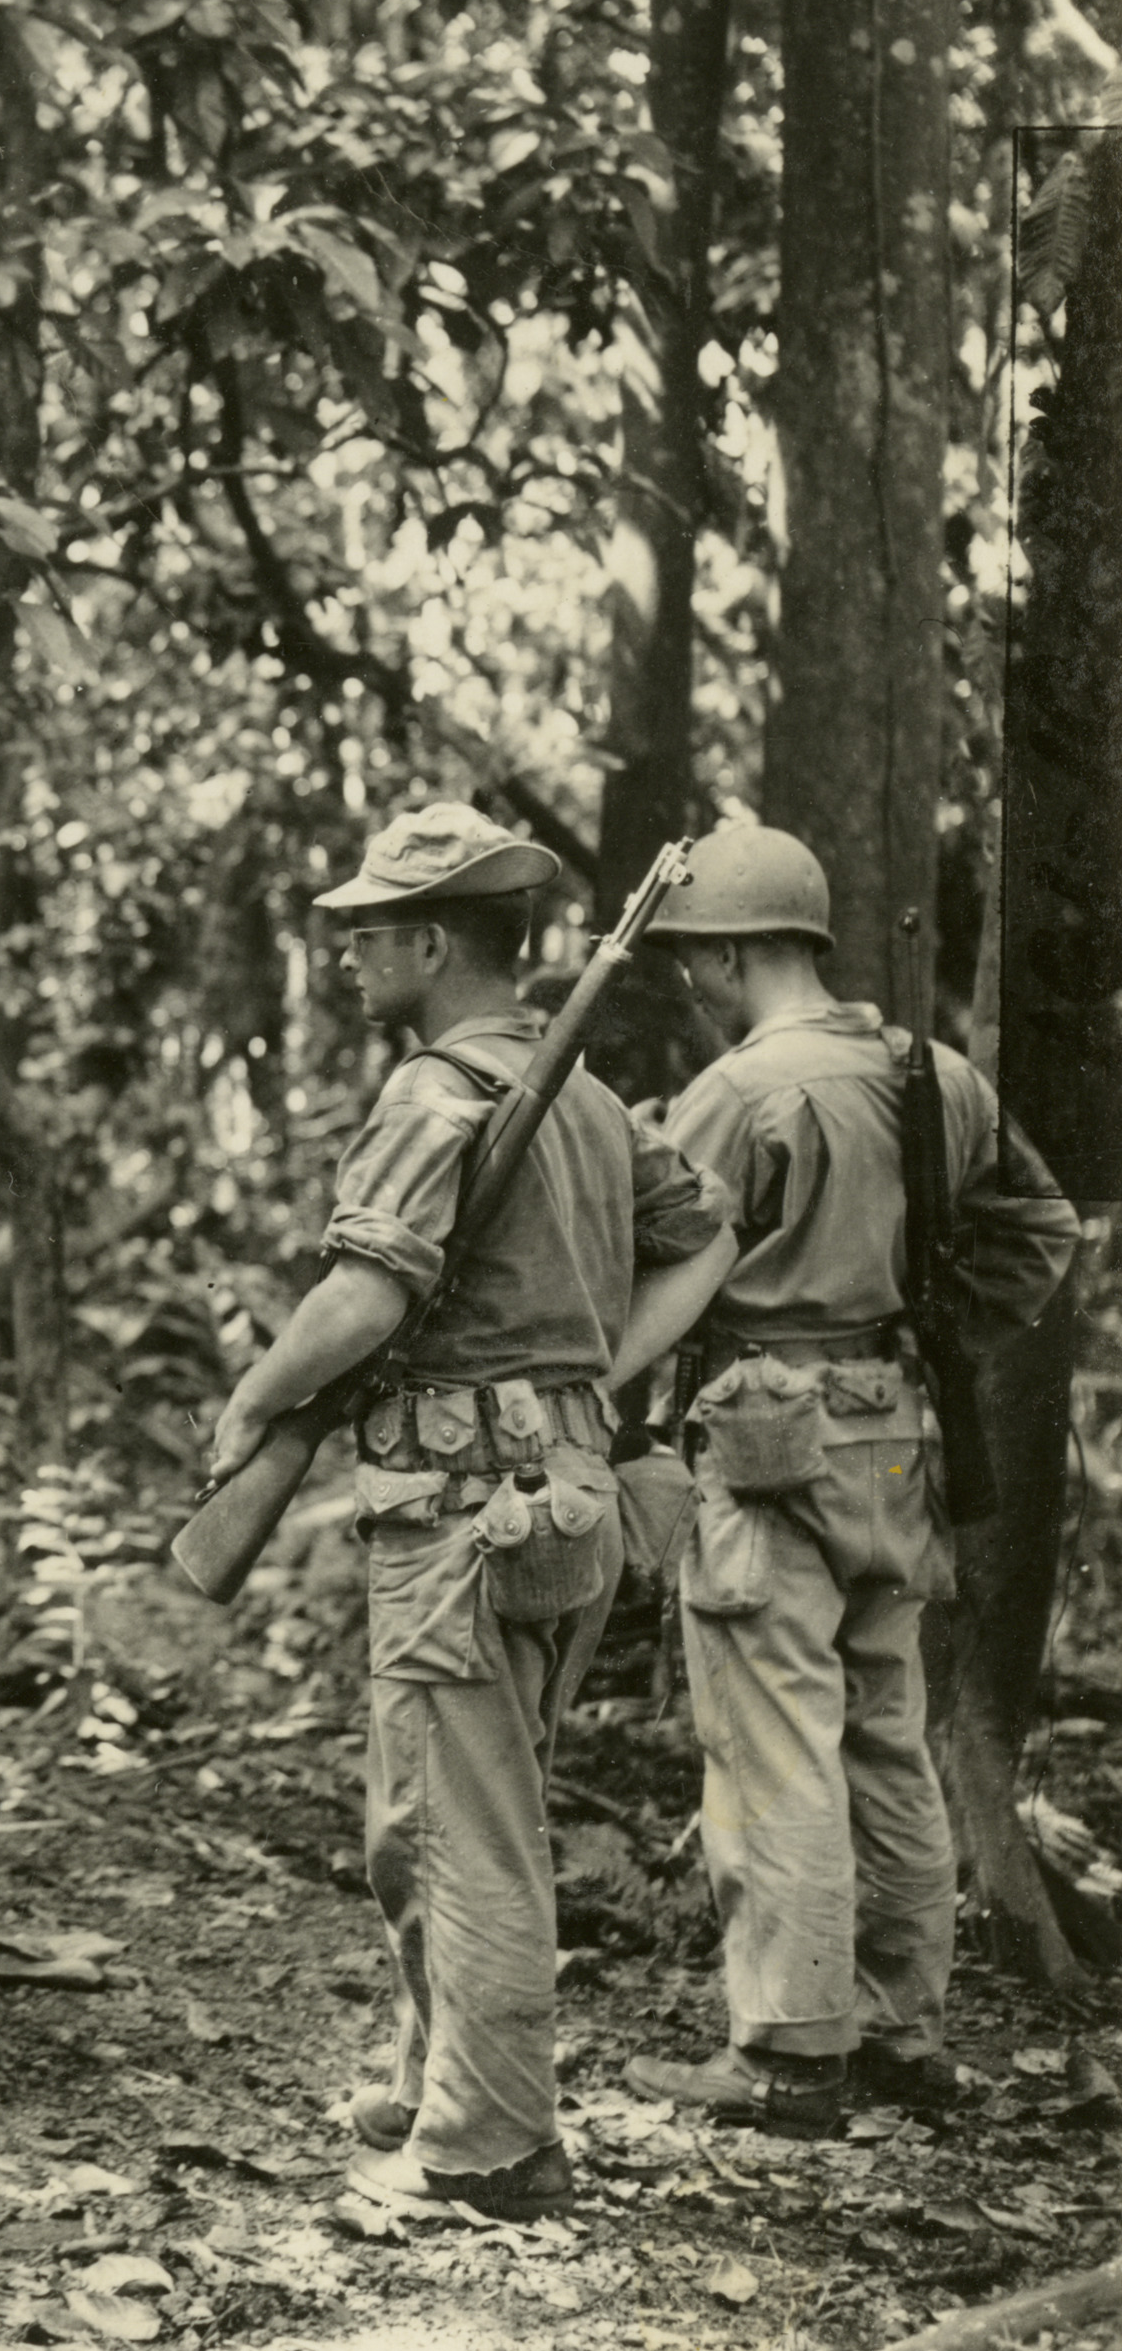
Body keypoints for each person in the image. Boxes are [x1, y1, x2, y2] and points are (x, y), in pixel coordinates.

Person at [206, 804, 736, 2220]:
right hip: (560, 1494)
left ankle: (488, 2148)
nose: (346, 960)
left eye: (367, 936)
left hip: (461, 1511)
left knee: (458, 1826)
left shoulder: (440, 1088)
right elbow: (713, 1234)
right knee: (432, 1813)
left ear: (433, 945)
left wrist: (253, 1402)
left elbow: (366, 1294)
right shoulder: (585, 1096)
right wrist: (596, 1374)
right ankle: (435, 2074)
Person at [621, 824, 1081, 2137]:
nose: (691, 986)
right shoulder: (929, 1073)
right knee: (885, 1722)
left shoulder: (741, 1093)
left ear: (737, 951)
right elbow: (1039, 1227)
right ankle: (902, 2031)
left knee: (776, 1737)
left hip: (769, 1423)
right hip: (900, 1424)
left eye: (696, 961)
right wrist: (935, 1333)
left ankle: (789, 2049)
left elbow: (651, 1252)